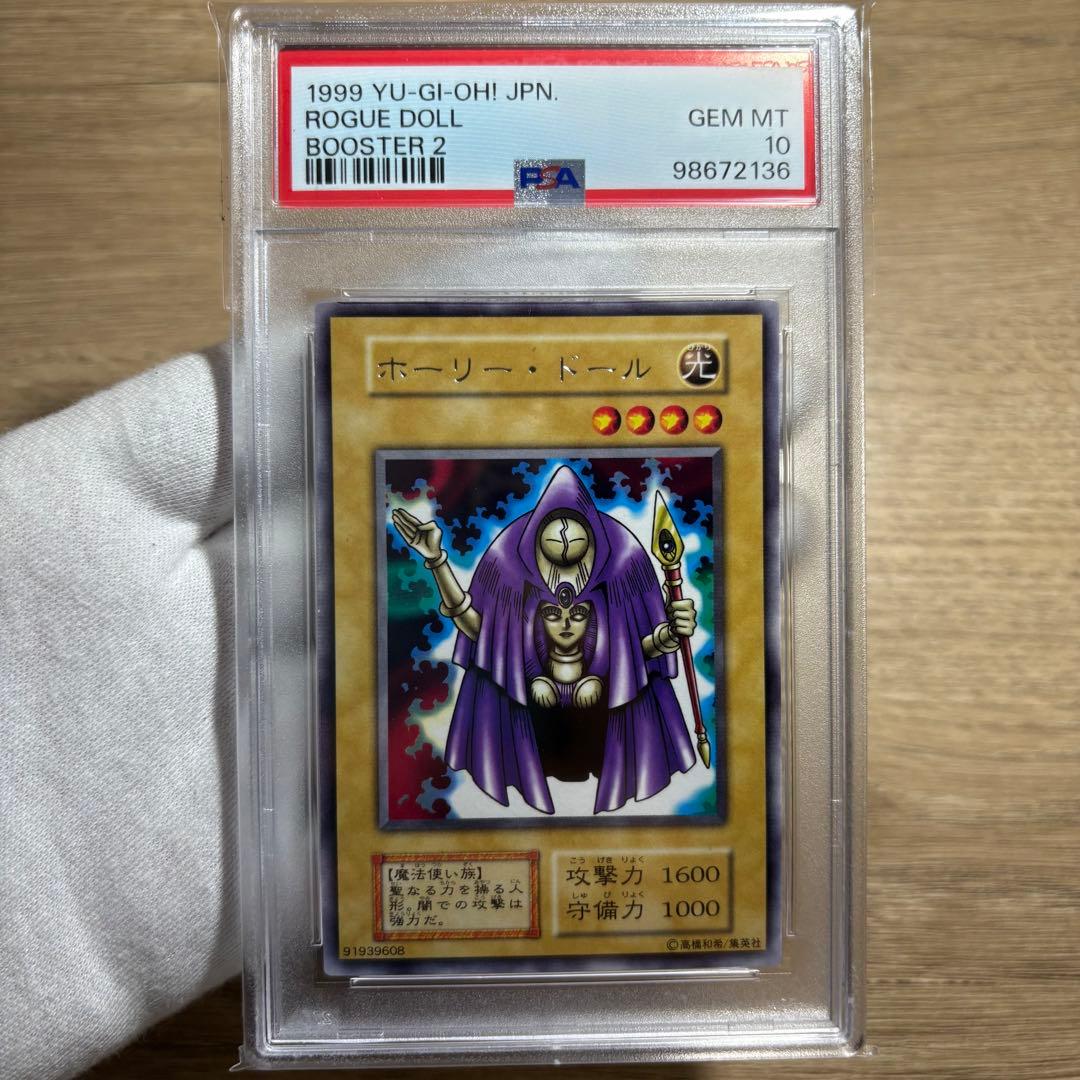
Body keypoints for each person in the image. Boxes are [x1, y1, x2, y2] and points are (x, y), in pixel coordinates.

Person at [392, 465, 699, 814]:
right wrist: (436, 560)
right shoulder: (506, 563)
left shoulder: (624, 560)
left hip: (601, 726)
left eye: (577, 612)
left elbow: (638, 654)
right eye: (553, 612)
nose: (566, 618)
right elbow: (484, 636)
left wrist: (670, 631)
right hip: (533, 725)